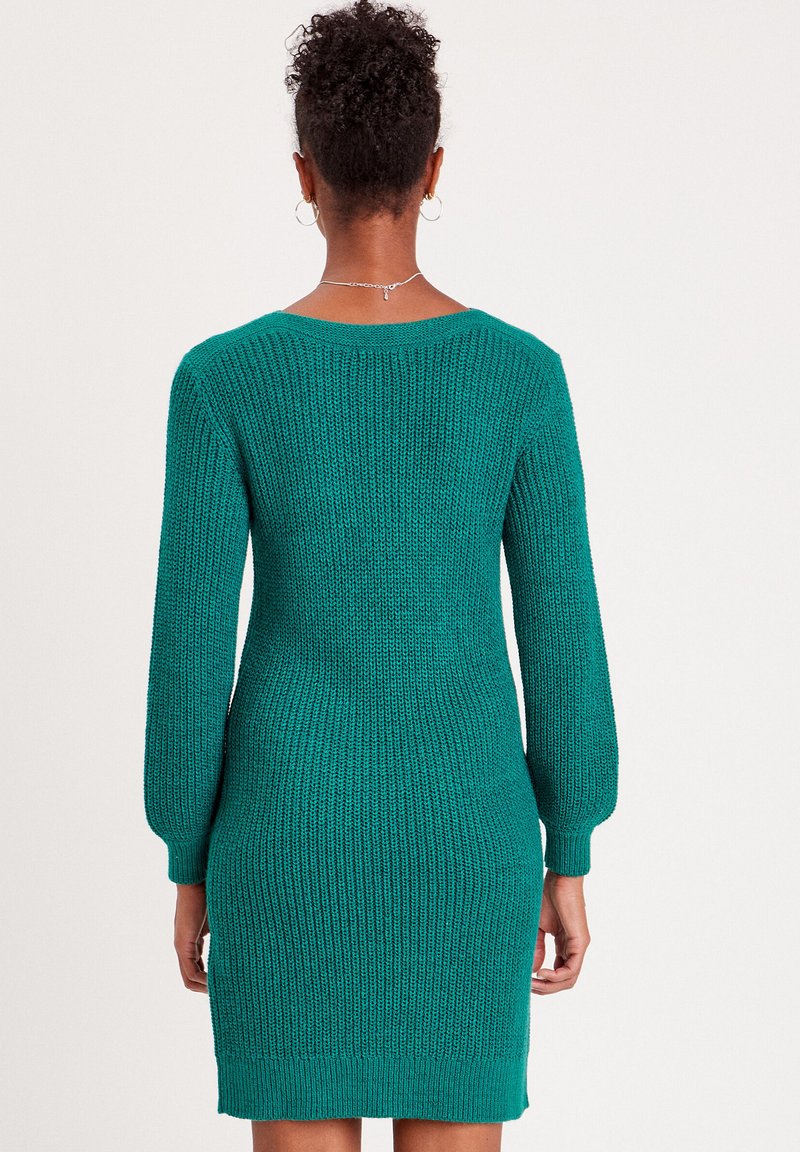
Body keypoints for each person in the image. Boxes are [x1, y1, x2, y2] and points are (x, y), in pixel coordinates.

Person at [143, 2, 619, 1150]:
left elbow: (188, 655)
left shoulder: (222, 382)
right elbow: (561, 641)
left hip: (284, 842)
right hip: (468, 841)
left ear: (303, 173)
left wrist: (188, 857)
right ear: (432, 169)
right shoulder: (520, 378)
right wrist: (567, 849)